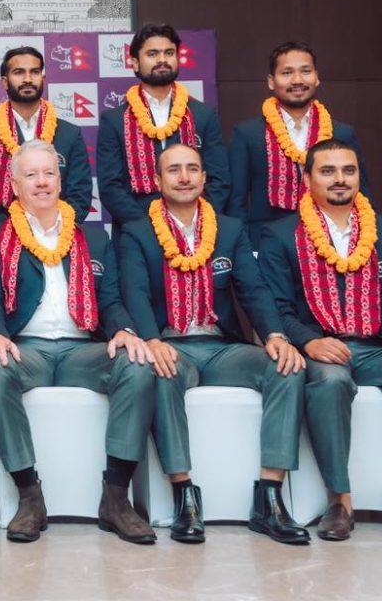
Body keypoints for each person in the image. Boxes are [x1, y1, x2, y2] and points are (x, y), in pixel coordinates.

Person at [258, 139, 382, 543]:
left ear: (358, 177)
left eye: (348, 170)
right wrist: (308, 341)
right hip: (319, 351)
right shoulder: (281, 235)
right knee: (332, 380)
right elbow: (277, 309)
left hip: (377, 348)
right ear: (307, 178)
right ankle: (340, 501)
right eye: (328, 171)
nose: (339, 179)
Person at [119, 144, 309, 545]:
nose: (184, 177)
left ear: (204, 178)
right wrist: (151, 340)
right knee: (162, 373)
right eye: (174, 170)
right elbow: (134, 292)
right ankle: (184, 495)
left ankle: (269, 497)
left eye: (192, 169)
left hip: (222, 345)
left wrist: (275, 335)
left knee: (286, 367)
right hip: (171, 344)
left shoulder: (230, 229)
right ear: (157, 180)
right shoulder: (137, 232)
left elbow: (253, 289)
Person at [0, 139, 157, 544]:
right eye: (31, 175)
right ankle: (29, 496)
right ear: (15, 185)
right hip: (26, 348)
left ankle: (116, 498)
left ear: (60, 180)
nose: (42, 182)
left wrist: (124, 330)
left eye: (49, 173)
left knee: (138, 364)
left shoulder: (93, 237)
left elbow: (111, 299)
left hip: (83, 349)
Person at [228, 41, 369, 245]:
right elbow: (236, 202)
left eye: (305, 71)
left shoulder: (341, 133)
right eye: (287, 73)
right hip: (265, 243)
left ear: (316, 77)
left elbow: (361, 194)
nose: (297, 80)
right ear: (271, 81)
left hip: (332, 241)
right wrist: (244, 249)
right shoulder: (248, 134)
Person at [97, 23, 230, 229]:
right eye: (152, 54)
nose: (162, 60)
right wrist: (147, 228)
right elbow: (110, 187)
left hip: (197, 230)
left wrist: (194, 223)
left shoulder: (203, 115)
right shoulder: (114, 120)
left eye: (169, 53)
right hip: (136, 232)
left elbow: (219, 180)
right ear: (135, 63)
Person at [0, 47, 92, 230]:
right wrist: (7, 235)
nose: (27, 79)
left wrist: (53, 230)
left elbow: (80, 195)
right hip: (2, 237)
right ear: (5, 82)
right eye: (19, 72)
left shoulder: (70, 134)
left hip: (58, 234)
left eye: (34, 72)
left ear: (43, 79)